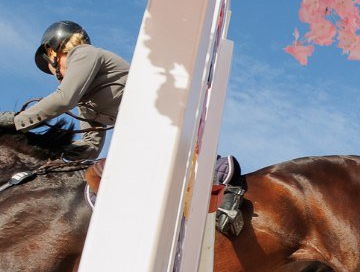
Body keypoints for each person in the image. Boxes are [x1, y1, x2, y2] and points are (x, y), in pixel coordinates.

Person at [0, 20, 246, 236]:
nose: (57, 75)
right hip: (142, 131)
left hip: (163, 116)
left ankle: (225, 184)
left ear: (54, 50)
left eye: (53, 68)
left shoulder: (83, 53)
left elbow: (63, 99)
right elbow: (90, 147)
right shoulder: (86, 102)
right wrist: (50, 152)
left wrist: (15, 121)